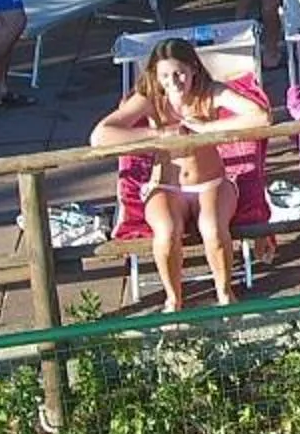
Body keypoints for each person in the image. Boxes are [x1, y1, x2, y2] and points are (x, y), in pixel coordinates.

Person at [90, 37, 266, 310]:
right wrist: (159, 134)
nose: (173, 81)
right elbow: (100, 136)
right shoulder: (151, 100)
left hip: (211, 183)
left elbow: (261, 117)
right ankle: (174, 298)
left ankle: (224, 291)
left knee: (213, 228)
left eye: (179, 72)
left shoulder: (211, 92)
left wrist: (205, 130)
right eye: (165, 75)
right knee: (167, 231)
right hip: (166, 186)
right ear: (155, 76)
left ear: (194, 68)